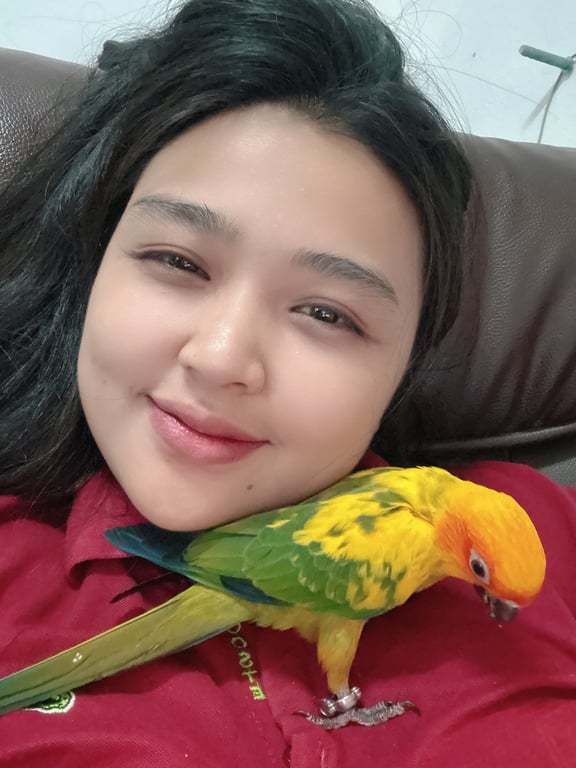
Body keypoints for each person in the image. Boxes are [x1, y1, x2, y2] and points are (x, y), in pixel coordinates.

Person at [0, 0, 575, 765]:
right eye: (178, 260)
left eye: (327, 313)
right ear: (93, 262)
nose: (221, 358)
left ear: (408, 362)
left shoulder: (544, 522)